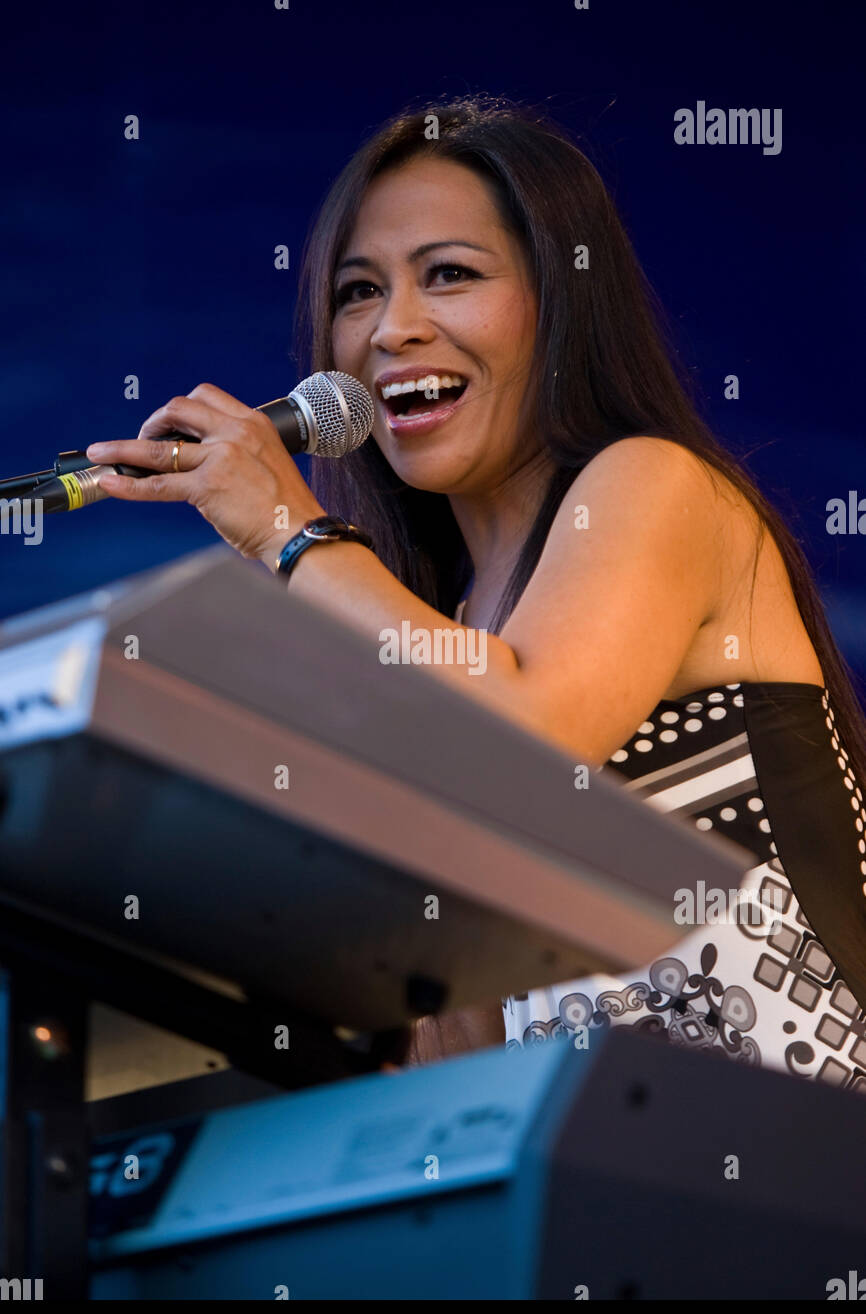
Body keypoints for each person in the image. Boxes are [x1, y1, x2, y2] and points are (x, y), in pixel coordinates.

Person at [87, 97, 866, 1089]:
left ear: (560, 299)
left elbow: (529, 738)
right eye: (357, 290)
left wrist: (285, 530)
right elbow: (453, 1042)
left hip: (807, 1160)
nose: (392, 328)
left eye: (449, 275)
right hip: (603, 1195)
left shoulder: (652, 485)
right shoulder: (434, 633)